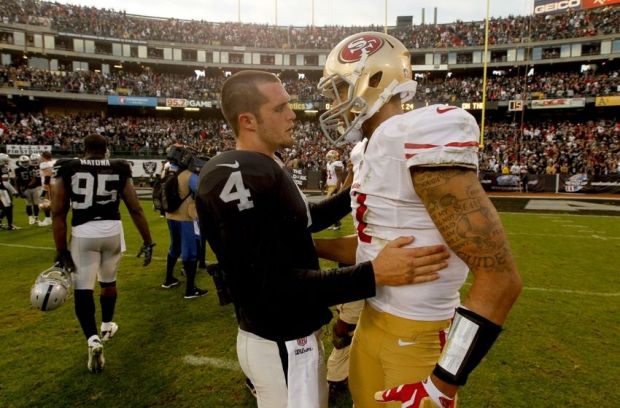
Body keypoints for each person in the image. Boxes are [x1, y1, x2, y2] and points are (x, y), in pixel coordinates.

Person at [195, 70, 451, 408]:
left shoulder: (264, 164)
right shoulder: (239, 175)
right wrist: (374, 274)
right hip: (281, 339)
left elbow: (305, 220)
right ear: (248, 121)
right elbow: (272, 284)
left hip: (289, 335)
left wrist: (354, 189)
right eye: (280, 108)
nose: (293, 115)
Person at [318, 32, 522, 408]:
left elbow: (501, 277)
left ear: (373, 80)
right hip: (371, 323)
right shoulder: (368, 149)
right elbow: (370, 249)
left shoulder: (419, 134)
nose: (334, 103)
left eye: (339, 89)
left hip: (417, 335)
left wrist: (443, 385)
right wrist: (302, 245)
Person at [51, 134, 155, 373]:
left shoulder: (69, 167)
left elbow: (58, 212)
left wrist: (60, 249)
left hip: (83, 232)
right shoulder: (119, 167)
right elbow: (135, 207)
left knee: (83, 288)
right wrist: (148, 241)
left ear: (83, 149)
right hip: (112, 231)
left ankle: (93, 339)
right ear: (106, 149)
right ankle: (107, 325)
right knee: (109, 282)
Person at [160, 146, 208, 299]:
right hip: (186, 216)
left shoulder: (167, 171)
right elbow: (202, 192)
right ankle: (190, 289)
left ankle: (168, 279)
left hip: (170, 215)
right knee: (190, 252)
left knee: (174, 246)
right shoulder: (189, 175)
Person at [324, 149, 345, 230]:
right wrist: (326, 183)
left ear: (335, 157)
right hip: (330, 186)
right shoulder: (328, 163)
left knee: (330, 206)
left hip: (335, 186)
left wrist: (338, 188)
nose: (328, 158)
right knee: (330, 206)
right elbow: (329, 175)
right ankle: (335, 223)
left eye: (330, 157)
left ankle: (337, 224)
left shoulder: (337, 164)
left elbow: (339, 177)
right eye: (328, 157)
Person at [0, 153, 20, 230]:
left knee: (3, 207)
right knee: (8, 207)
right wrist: (14, 191)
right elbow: (5, 182)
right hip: (2, 189)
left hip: (2, 188)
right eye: (5, 161)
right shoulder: (3, 168)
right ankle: (10, 225)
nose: (7, 162)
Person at [38, 151, 54, 226]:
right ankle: (49, 219)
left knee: (47, 203)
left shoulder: (44, 164)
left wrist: (44, 189)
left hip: (48, 186)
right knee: (50, 203)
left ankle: (49, 220)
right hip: (54, 185)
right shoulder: (53, 163)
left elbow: (48, 175)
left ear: (43, 157)